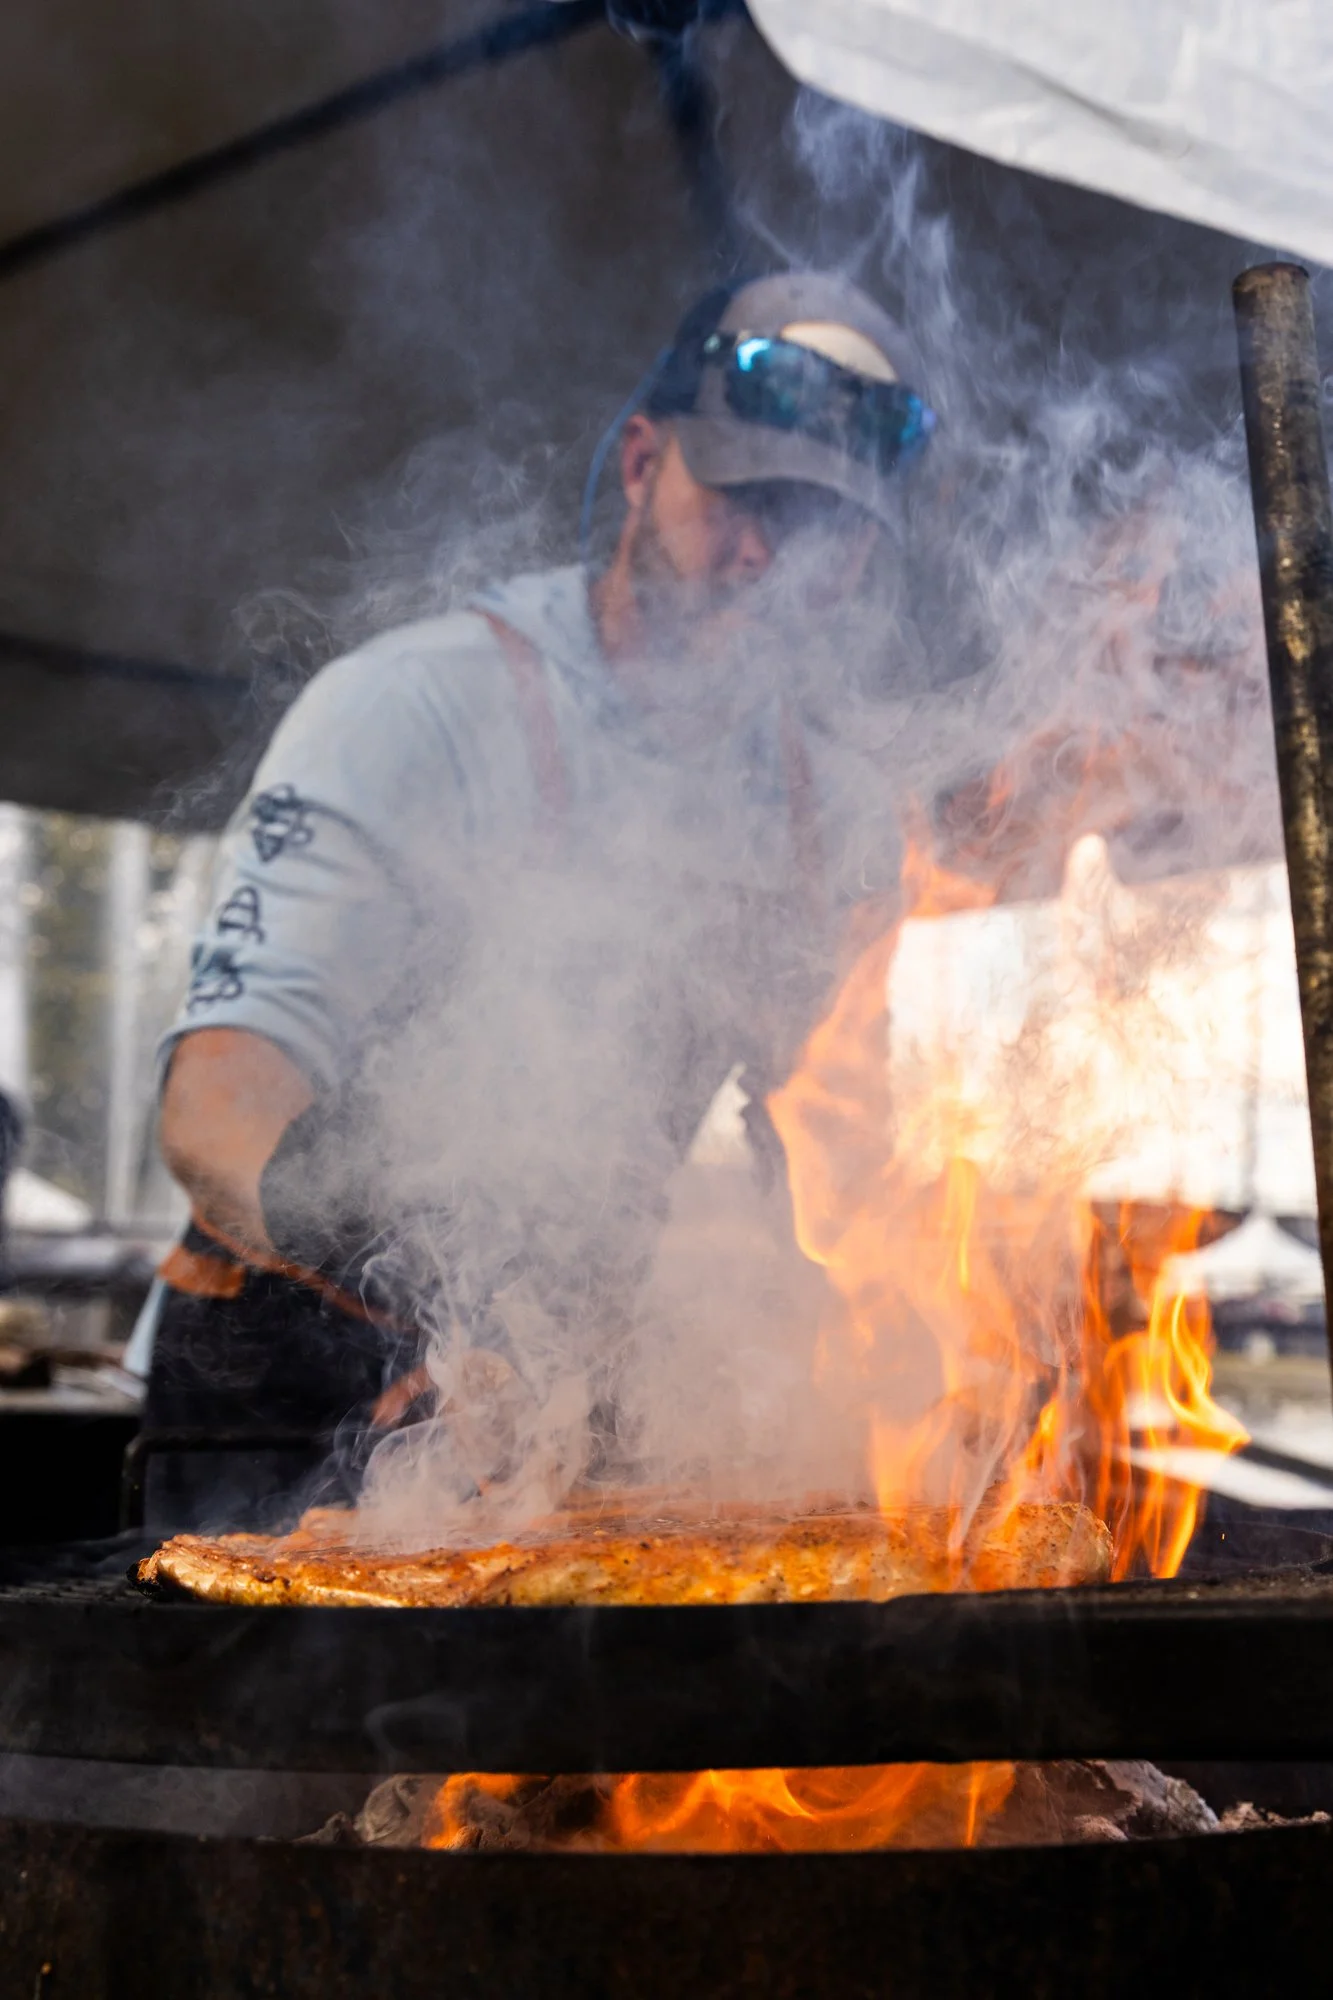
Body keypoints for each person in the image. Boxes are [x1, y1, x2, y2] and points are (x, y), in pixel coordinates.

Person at [140, 270, 936, 1524]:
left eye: (823, 529)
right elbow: (215, 1101)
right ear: (639, 465)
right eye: (738, 498)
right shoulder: (410, 710)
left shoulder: (830, 814)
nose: (762, 557)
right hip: (282, 1395)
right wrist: (426, 1281)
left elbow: (824, 1153)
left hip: (573, 1400)